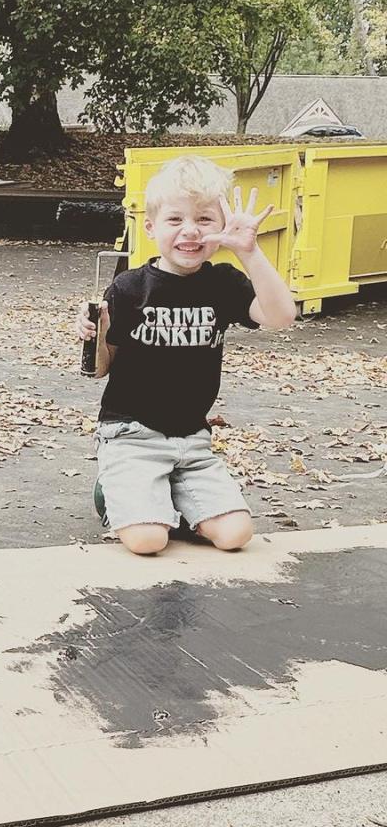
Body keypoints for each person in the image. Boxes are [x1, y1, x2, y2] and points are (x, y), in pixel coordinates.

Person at [77, 154, 297, 556]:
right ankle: (116, 494)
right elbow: (100, 370)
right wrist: (96, 333)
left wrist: (249, 251)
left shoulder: (223, 283)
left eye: (205, 220)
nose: (190, 231)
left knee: (236, 536)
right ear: (151, 226)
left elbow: (282, 317)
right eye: (175, 220)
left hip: (192, 441)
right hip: (132, 436)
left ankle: (163, 494)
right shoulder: (129, 288)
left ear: (222, 226)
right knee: (148, 542)